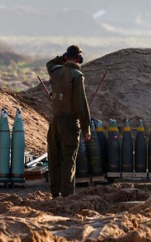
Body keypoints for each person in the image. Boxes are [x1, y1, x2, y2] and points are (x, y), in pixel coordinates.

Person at [46, 44, 91, 198]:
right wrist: (86, 129)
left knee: (54, 158)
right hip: (70, 125)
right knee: (68, 160)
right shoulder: (77, 76)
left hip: (54, 124)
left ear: (66, 57)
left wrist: (62, 58)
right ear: (79, 59)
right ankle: (66, 195)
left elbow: (50, 64)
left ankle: (54, 193)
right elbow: (81, 105)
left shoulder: (56, 72)